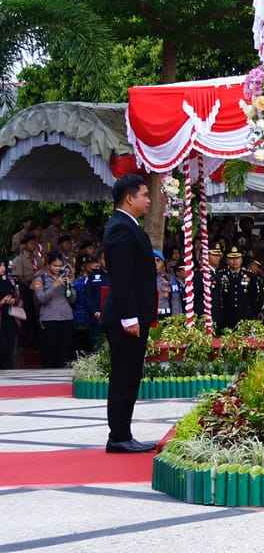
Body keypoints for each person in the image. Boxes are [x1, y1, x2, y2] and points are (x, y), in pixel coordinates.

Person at [102, 174, 158, 453]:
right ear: (129, 198)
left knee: (130, 375)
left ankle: (123, 432)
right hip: (127, 317)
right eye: (145, 195)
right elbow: (122, 278)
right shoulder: (121, 228)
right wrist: (130, 317)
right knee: (124, 375)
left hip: (134, 314)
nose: (149, 200)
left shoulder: (128, 226)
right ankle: (119, 435)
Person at [33, 253, 75, 367]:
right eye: (55, 266)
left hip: (66, 317)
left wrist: (69, 285)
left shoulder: (65, 277)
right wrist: (54, 285)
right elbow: (41, 298)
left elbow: (72, 299)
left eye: (60, 266)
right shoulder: (40, 278)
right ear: (48, 265)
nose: (58, 268)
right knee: (49, 353)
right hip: (49, 319)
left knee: (65, 353)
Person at [71, 253, 108, 357]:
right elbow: (88, 296)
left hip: (113, 317)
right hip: (96, 318)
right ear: (100, 261)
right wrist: (94, 311)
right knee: (96, 347)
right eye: (104, 259)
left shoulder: (117, 275)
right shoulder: (93, 276)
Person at [212, 248, 249, 331]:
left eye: (237, 258)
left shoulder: (249, 276)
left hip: (244, 316)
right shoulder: (220, 275)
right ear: (227, 260)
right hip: (226, 317)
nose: (234, 261)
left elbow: (254, 297)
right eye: (231, 258)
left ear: (241, 260)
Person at [0, 259, 19, 368]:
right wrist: (2, 302)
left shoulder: (9, 279)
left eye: (3, 265)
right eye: (0, 266)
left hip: (10, 316)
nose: (2, 268)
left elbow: (16, 295)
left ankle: (9, 370)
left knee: (10, 345)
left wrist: (14, 300)